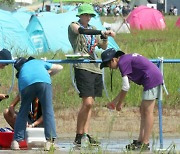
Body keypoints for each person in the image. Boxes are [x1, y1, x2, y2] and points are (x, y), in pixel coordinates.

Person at [68, 3, 116, 146]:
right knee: (87, 102)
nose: (87, 17)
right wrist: (101, 32)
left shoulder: (94, 28)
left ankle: (86, 134)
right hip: (82, 66)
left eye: (89, 15)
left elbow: (103, 46)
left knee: (91, 104)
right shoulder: (73, 26)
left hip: (95, 66)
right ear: (80, 15)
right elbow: (81, 31)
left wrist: (105, 36)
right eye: (85, 14)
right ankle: (78, 134)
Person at [100, 48, 163, 151]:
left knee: (147, 112)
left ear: (113, 60)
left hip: (152, 79)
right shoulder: (125, 60)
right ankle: (140, 140)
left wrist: (119, 104)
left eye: (108, 65)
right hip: (151, 77)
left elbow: (125, 87)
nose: (109, 68)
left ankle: (145, 143)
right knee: (143, 110)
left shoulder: (122, 63)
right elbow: (126, 85)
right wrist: (114, 102)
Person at [10, 57, 63, 150]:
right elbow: (59, 67)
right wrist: (48, 73)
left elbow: (22, 97)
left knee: (22, 111)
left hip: (26, 83)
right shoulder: (39, 62)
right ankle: (49, 142)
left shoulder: (22, 72)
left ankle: (16, 142)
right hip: (44, 81)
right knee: (47, 110)